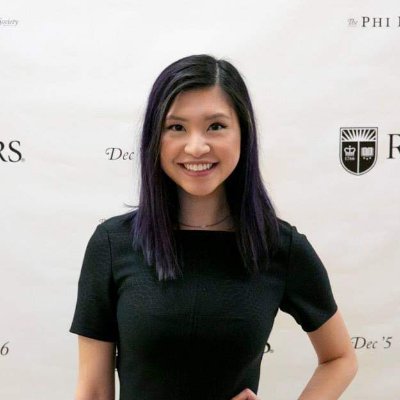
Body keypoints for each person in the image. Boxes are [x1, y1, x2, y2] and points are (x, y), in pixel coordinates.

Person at [69, 54, 358, 400]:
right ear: (155, 138)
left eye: (216, 126)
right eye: (176, 127)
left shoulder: (279, 246)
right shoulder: (113, 244)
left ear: (243, 133)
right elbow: (93, 391)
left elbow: (340, 358)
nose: (196, 147)